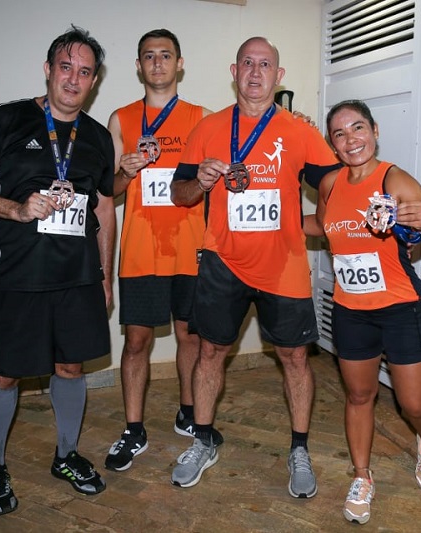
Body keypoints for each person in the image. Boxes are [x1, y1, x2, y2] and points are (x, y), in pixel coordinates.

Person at [0, 26, 114, 515]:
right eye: (66, 67)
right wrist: (16, 209)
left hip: (79, 277)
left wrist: (106, 272)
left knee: (70, 367)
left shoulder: (98, 137)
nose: (73, 78)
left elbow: (104, 209)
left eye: (85, 71)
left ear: (94, 81)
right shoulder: (6, 120)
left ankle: (65, 455)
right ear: (48, 70)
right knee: (4, 376)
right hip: (17, 277)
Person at [168, 36, 341, 498]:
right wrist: (199, 183)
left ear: (278, 76)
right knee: (209, 353)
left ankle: (299, 449)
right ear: (234, 70)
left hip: (283, 266)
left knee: (295, 358)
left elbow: (334, 184)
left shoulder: (299, 130)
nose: (256, 72)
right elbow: (177, 194)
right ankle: (203, 441)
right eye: (248, 63)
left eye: (266, 64)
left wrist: (321, 224)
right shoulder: (208, 127)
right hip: (222, 262)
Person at [311, 99, 421, 524]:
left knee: (412, 404)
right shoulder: (331, 184)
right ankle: (362, 477)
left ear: (374, 130)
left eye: (358, 128)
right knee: (358, 395)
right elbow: (322, 226)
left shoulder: (396, 179)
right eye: (340, 133)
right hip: (351, 309)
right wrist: (274, 224)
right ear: (332, 144)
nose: (351, 139)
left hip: (400, 307)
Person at [103, 28, 223, 473]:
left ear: (180, 63)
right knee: (137, 340)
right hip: (140, 249)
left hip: (190, 247)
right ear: (138, 66)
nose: (157, 63)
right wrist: (125, 172)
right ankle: (133, 428)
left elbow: (230, 164)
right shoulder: (122, 118)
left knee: (190, 335)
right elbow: (108, 187)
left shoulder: (202, 117)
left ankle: (188, 411)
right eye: (149, 56)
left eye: (165, 55)